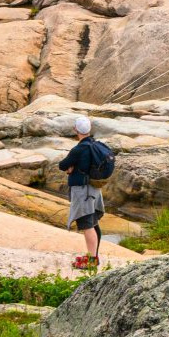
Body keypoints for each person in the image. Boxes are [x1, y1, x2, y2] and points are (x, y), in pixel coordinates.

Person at [58, 114, 105, 269]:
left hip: (83, 191)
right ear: (90, 129)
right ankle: (94, 257)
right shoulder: (96, 145)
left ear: (75, 130)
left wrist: (71, 167)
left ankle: (91, 261)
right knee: (93, 222)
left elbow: (62, 165)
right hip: (94, 188)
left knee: (86, 224)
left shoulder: (79, 149)